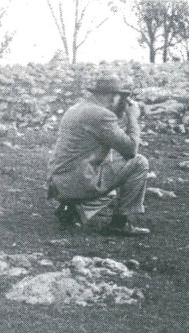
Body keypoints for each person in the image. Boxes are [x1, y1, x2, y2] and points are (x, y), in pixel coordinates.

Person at [46, 74, 150, 235]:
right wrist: (132, 118)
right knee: (139, 162)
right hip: (76, 182)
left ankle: (73, 211)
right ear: (112, 97)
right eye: (120, 98)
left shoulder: (76, 109)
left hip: (58, 182)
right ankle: (119, 223)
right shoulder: (102, 115)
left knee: (111, 179)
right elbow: (130, 150)